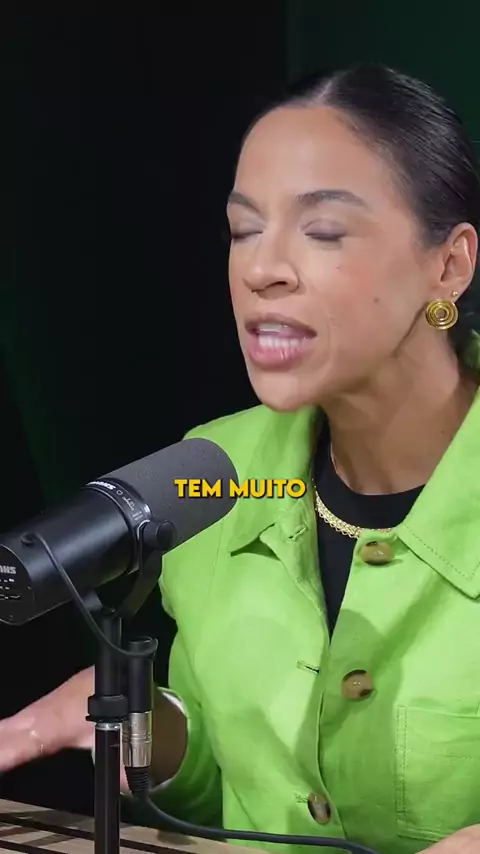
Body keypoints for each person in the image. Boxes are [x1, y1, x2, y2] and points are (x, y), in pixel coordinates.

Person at [1, 64, 480, 854]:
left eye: (323, 231)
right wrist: (154, 728)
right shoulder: (211, 471)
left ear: (449, 266)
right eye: (244, 229)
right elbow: (233, 789)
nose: (260, 270)